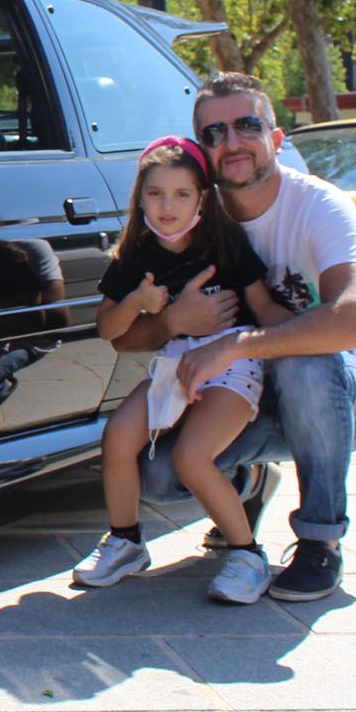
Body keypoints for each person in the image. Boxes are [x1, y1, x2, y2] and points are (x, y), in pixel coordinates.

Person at [119, 72, 356, 601]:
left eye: (247, 125)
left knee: (304, 359)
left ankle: (320, 540)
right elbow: (126, 339)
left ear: (275, 137)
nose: (232, 142)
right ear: (201, 150)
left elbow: (352, 321)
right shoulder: (189, 217)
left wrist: (234, 343)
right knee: (153, 472)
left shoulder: (321, 206)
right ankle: (246, 480)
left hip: (346, 396)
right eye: (214, 132)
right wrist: (173, 321)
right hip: (243, 394)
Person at [72, 135, 292, 604]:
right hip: (171, 365)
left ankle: (246, 553)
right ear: (140, 198)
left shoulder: (226, 244)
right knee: (117, 436)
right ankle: (126, 541)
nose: (167, 206)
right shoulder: (136, 254)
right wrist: (136, 301)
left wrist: (312, 337)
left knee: (192, 456)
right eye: (155, 194)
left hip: (233, 366)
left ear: (202, 198)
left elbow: (264, 308)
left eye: (181, 194)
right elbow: (109, 328)